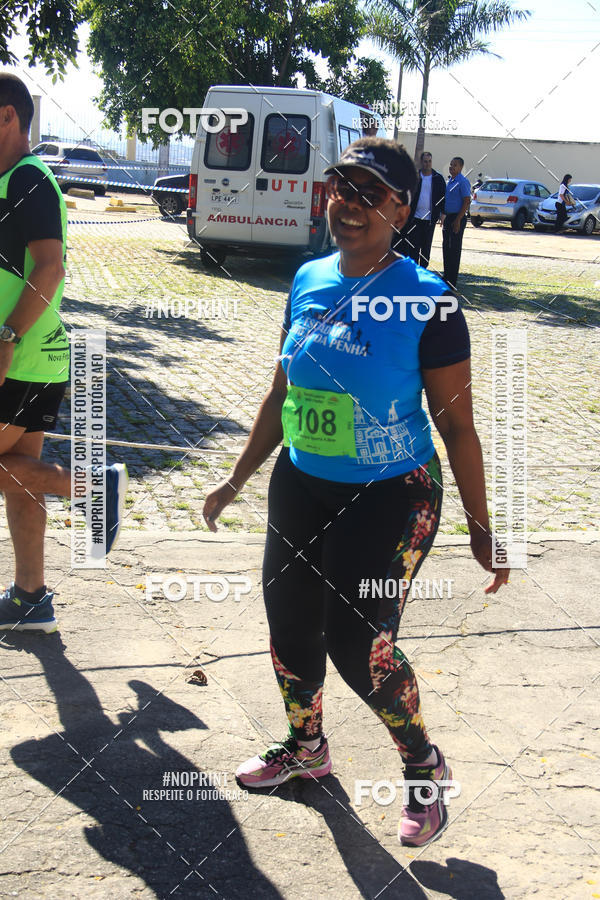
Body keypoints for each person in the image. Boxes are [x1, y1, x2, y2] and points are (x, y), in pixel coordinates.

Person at [203, 137, 509, 848]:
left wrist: (482, 526)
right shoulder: (308, 277)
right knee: (288, 623)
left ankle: (424, 768)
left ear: (402, 209)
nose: (350, 204)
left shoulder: (429, 301)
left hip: (391, 495)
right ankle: (306, 748)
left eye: (372, 194)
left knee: (358, 645)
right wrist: (236, 478)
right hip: (301, 482)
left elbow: (457, 425)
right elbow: (282, 392)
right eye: (343, 187)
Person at [0, 73, 127, 634]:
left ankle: (93, 488)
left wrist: (5, 338)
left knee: (18, 473)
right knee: (19, 475)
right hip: (33, 357)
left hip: (19, 357)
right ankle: (32, 597)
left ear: (8, 116)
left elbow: (50, 268)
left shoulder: (28, 179)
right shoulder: (11, 180)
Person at [395, 150, 446, 268]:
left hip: (430, 220)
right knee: (414, 246)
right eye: (425, 161)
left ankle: (424, 269)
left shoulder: (438, 178)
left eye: (429, 161)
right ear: (421, 162)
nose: (427, 164)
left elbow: (443, 197)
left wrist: (443, 213)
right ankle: (415, 270)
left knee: (426, 247)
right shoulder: (415, 177)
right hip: (415, 218)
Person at [442, 157, 471, 291]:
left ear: (461, 167)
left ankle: (452, 280)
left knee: (454, 249)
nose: (451, 167)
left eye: (455, 165)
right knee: (446, 247)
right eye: (451, 164)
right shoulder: (450, 181)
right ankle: (446, 276)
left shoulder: (462, 182)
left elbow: (466, 201)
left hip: (457, 217)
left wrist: (458, 220)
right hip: (449, 217)